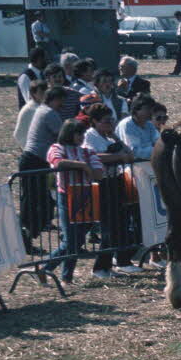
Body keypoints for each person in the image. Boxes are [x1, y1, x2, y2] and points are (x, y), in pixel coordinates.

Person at [81, 104, 139, 278]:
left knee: (120, 224)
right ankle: (100, 267)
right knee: (109, 227)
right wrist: (118, 157)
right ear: (94, 121)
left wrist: (115, 136)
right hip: (102, 184)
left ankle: (121, 261)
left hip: (116, 181)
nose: (110, 124)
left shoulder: (109, 136)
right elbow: (92, 156)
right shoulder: (90, 136)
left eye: (112, 121)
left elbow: (128, 152)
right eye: (106, 121)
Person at [45, 119, 104, 283]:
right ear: (69, 133)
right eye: (78, 133)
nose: (81, 136)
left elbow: (99, 173)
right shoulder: (56, 148)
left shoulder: (87, 150)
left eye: (83, 133)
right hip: (67, 196)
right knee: (71, 240)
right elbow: (58, 162)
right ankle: (56, 273)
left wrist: (84, 167)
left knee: (77, 241)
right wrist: (84, 167)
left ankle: (54, 272)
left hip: (86, 196)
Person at [19, 85, 68, 248]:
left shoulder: (43, 110)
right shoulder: (49, 113)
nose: (63, 104)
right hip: (35, 161)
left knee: (37, 200)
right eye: (61, 100)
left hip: (35, 160)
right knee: (36, 201)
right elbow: (64, 136)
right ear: (54, 99)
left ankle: (27, 234)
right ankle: (25, 234)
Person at [15, 80, 49, 152]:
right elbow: (19, 134)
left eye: (46, 92)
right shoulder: (30, 109)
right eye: (41, 93)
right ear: (33, 94)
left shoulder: (43, 106)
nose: (44, 95)